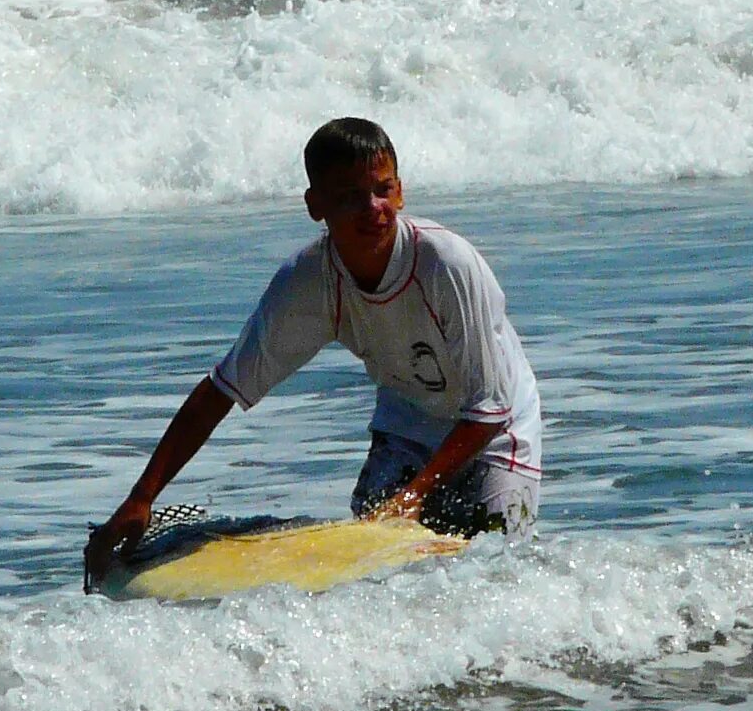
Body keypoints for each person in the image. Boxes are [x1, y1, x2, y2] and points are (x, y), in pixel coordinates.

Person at [84, 117, 542, 587]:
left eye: (383, 190)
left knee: (496, 571)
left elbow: (489, 409)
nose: (372, 208)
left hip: (499, 430)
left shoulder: (447, 264)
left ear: (400, 192)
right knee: (381, 578)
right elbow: (219, 393)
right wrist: (142, 497)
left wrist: (416, 493)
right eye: (348, 197)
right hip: (408, 420)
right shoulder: (308, 283)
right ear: (314, 205)